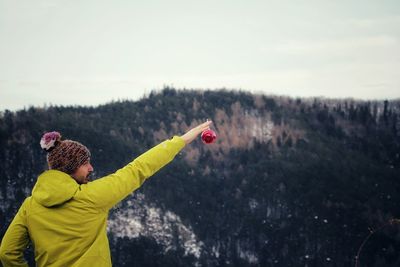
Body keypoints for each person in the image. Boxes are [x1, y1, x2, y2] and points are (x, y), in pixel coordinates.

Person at [0, 120, 213, 267]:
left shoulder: (30, 206)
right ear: (71, 168)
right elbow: (139, 168)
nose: (91, 168)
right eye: (85, 164)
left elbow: (7, 252)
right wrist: (181, 140)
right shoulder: (93, 196)